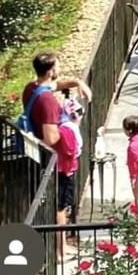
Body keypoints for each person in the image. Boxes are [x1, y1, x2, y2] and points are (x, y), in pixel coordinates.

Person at [21, 53, 92, 150]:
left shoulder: (30, 88)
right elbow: (51, 139)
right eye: (58, 67)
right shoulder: (48, 101)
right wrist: (72, 124)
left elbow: (56, 85)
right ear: (50, 72)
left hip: (33, 141)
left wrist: (77, 82)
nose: (59, 70)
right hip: (50, 153)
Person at [55, 96, 84, 258]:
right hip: (64, 172)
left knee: (62, 208)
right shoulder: (69, 129)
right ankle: (61, 250)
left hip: (60, 171)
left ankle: (63, 246)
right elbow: (74, 150)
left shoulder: (61, 127)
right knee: (61, 209)